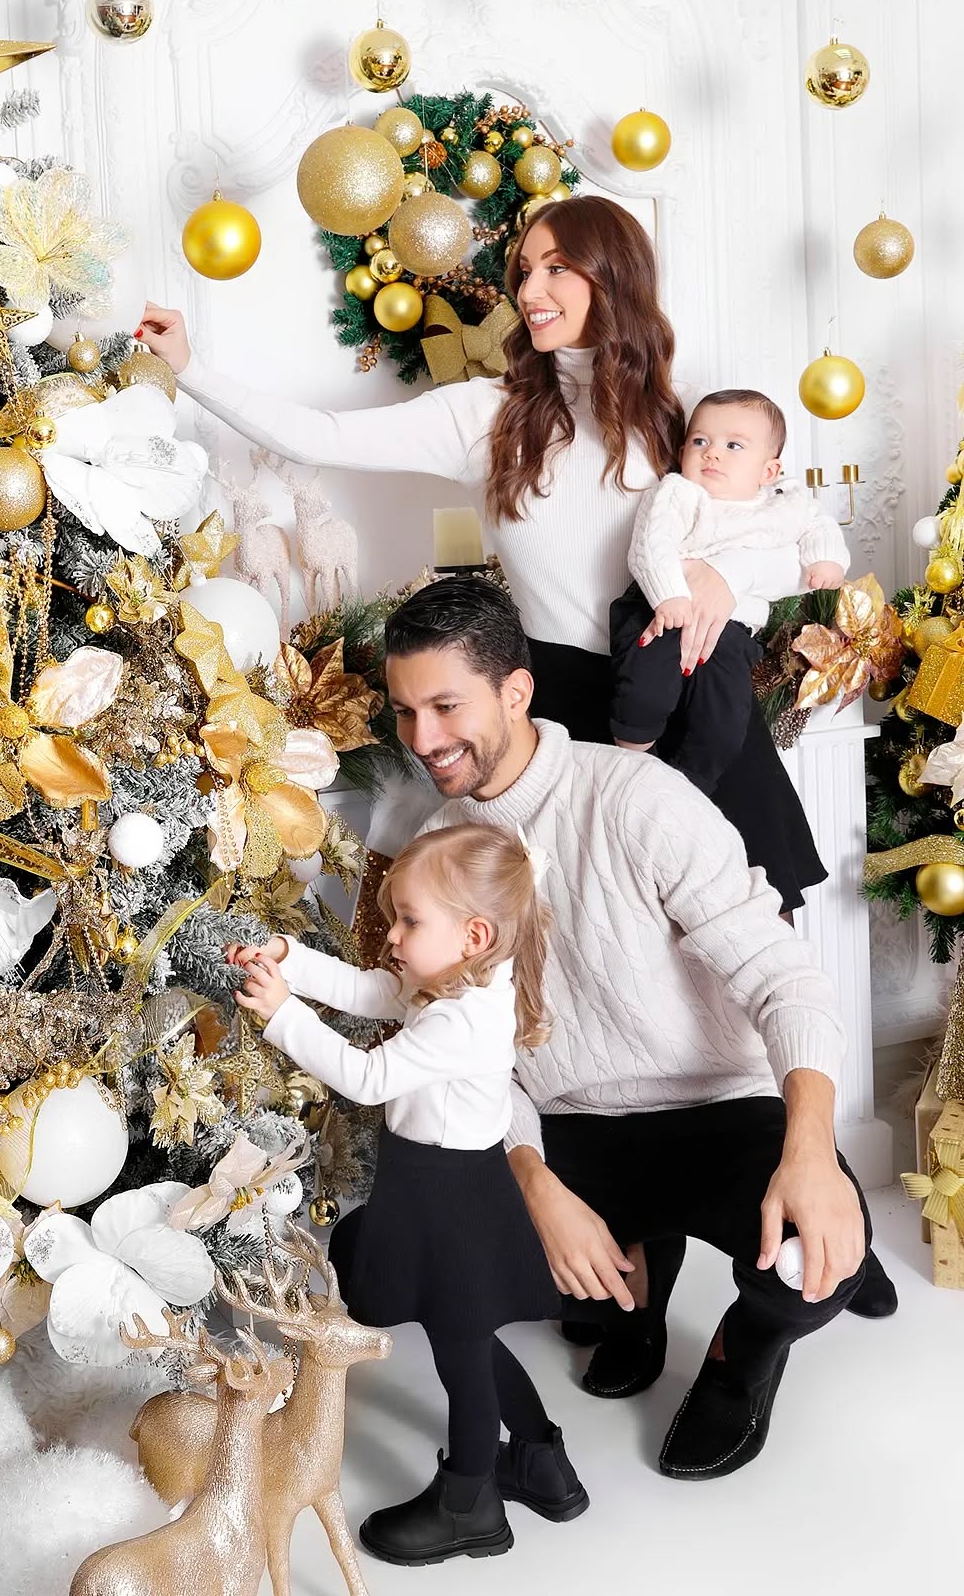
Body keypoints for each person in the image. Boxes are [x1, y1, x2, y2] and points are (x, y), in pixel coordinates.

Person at [137, 194, 825, 912]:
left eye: (556, 268)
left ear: (614, 276)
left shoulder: (685, 416)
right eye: (524, 270)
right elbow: (321, 437)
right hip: (568, 716)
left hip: (692, 694)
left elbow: (784, 534)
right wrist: (190, 367)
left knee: (742, 961)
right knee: (599, 954)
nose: (529, 291)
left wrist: (727, 574)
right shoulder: (485, 416)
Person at [373, 575, 882, 1483]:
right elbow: (471, 1066)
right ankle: (638, 1274)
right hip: (576, 1127)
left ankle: (741, 1355)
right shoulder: (437, 848)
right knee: (478, 1252)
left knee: (816, 1267)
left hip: (717, 1107)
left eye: (446, 706)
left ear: (516, 692)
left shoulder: (638, 800)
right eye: (407, 712)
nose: (424, 740)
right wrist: (534, 1182)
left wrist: (811, 1149)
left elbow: (785, 979)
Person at [226, 823, 587, 1567]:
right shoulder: (465, 977)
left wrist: (281, 1014)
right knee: (472, 1339)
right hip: (437, 1186)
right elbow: (369, 989)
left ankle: (471, 1504)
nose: (392, 935)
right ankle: (543, 1464)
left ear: (472, 932)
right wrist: (289, 961)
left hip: (451, 1199)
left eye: (410, 920)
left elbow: (365, 1079)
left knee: (461, 1349)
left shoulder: (463, 1017)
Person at [610, 389, 849, 793]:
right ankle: (631, 753)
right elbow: (651, 543)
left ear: (769, 471)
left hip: (733, 632)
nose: (712, 453)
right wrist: (669, 595)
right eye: (700, 441)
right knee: (644, 692)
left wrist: (825, 560)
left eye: (733, 445)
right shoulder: (678, 493)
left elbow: (818, 525)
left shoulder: (783, 505)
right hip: (661, 611)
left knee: (724, 721)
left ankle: (690, 786)